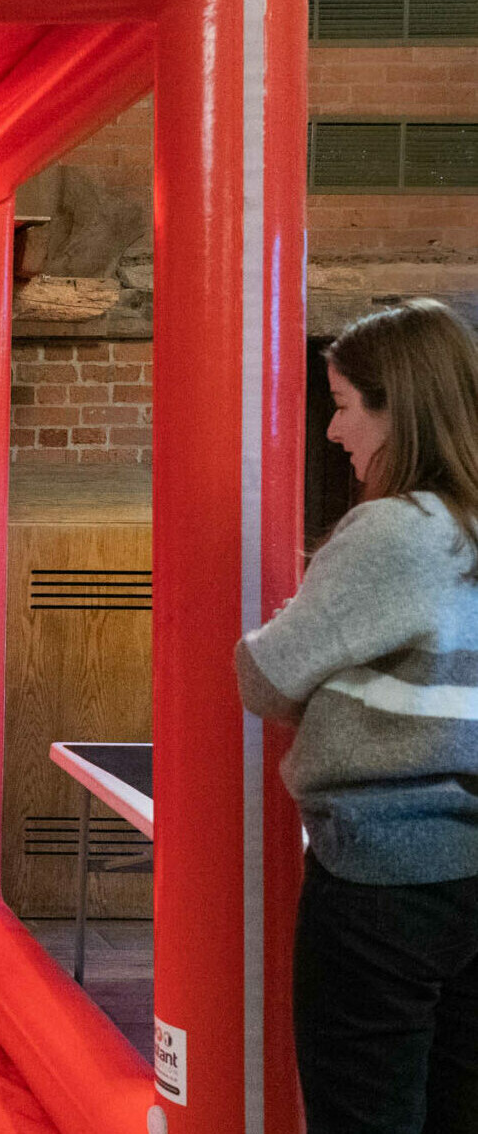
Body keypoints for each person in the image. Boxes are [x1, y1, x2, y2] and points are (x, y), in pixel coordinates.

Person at [235, 299, 478, 1133]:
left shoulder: (394, 532)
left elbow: (265, 676)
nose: (334, 432)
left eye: (343, 405)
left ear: (397, 407)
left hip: (383, 883)